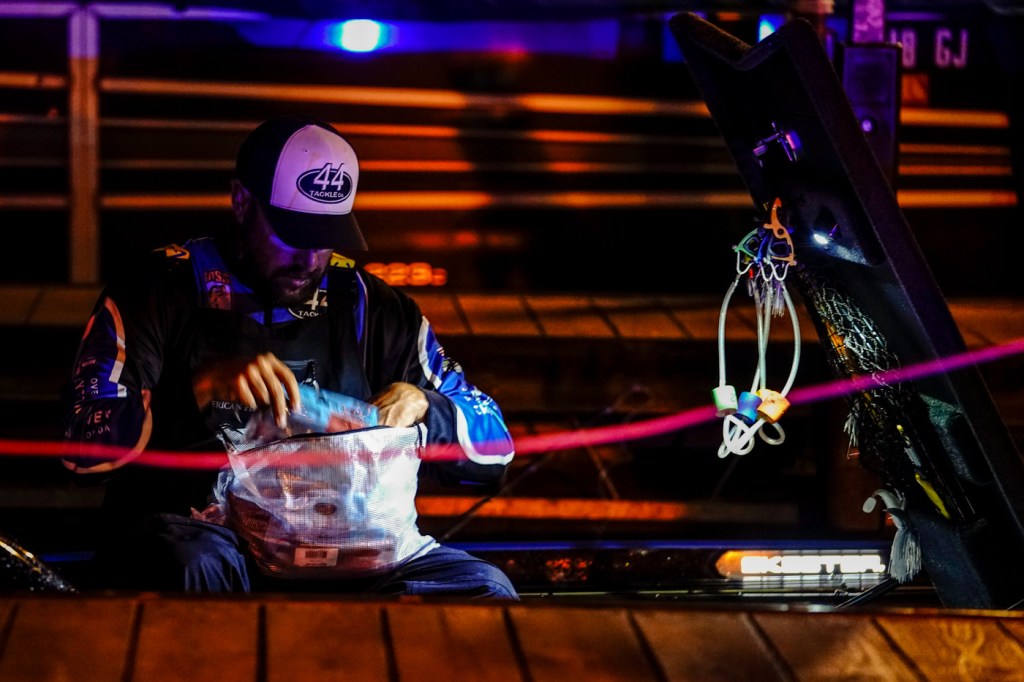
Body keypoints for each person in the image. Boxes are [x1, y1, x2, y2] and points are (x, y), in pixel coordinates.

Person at [61, 115, 519, 599]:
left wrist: (428, 406)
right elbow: (82, 448)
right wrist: (195, 390)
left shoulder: (372, 306)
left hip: (350, 557)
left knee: (485, 589)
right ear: (241, 201)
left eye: (327, 236)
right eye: (292, 234)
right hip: (209, 542)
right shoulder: (156, 289)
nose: (309, 259)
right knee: (194, 566)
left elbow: (496, 450)